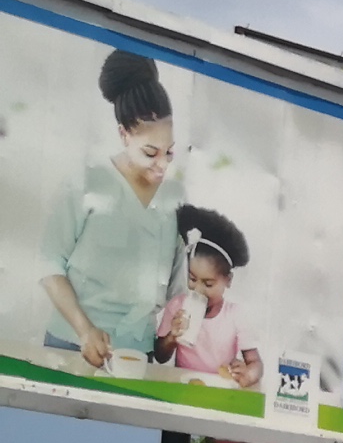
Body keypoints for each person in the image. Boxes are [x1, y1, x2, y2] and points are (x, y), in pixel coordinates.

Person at [45, 49, 185, 373]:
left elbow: (170, 302)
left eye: (169, 153)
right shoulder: (86, 184)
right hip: (70, 347)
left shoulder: (171, 208)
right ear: (123, 134)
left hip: (135, 360)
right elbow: (51, 264)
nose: (161, 165)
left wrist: (172, 336)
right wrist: (84, 330)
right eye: (150, 152)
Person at [153, 207, 263, 388]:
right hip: (184, 387)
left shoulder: (235, 315)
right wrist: (172, 337)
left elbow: (255, 363)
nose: (198, 289)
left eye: (209, 284)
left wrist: (249, 374)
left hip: (220, 390)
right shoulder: (177, 306)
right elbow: (160, 356)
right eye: (192, 279)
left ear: (228, 281)